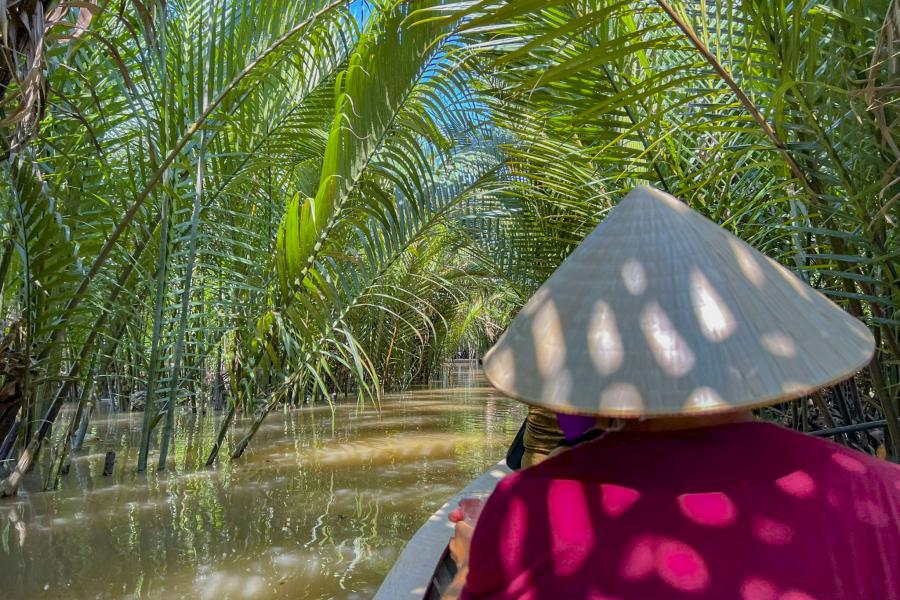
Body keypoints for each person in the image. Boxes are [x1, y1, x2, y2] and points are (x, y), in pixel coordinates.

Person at [443, 186, 900, 600]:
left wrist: (469, 566)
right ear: (748, 343)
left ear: (600, 356)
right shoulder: (886, 494)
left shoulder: (524, 513)